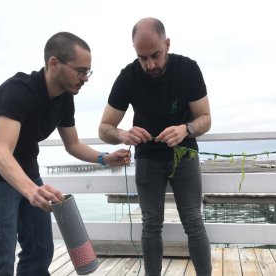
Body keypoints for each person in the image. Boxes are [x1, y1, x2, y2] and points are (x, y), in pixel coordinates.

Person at [0, 32, 130, 275]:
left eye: (88, 72)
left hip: (28, 175)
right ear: (54, 64)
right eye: (80, 70)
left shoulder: (65, 98)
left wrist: (104, 158)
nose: (85, 78)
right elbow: (0, 153)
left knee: (40, 250)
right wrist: (32, 190)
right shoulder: (18, 91)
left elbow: (73, 144)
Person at [99, 17, 212, 275]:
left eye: (155, 55)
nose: (150, 64)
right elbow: (104, 128)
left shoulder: (188, 69)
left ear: (167, 44)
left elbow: (205, 119)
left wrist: (186, 129)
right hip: (148, 158)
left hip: (185, 155)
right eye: (142, 58)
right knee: (151, 225)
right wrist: (123, 134)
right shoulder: (128, 77)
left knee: (194, 221)